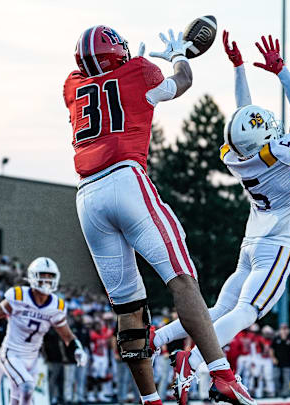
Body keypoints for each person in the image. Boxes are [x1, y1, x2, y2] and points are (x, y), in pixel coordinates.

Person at [65, 24, 253, 405]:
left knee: (129, 308)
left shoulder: (70, 87)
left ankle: (150, 399)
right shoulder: (139, 72)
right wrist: (180, 56)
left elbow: (98, 78)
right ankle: (220, 373)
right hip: (126, 179)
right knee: (181, 277)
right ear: (116, 53)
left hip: (86, 197)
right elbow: (181, 82)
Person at [152, 29, 290, 403]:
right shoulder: (285, 156)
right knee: (247, 311)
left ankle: (157, 338)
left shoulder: (234, 156)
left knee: (220, 308)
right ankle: (197, 363)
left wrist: (238, 69)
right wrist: (281, 71)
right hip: (277, 244)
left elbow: (243, 119)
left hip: (251, 241)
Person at [0, 257, 88, 405]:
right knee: (27, 387)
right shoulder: (18, 296)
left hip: (33, 358)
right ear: (33, 276)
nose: (47, 280)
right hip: (11, 353)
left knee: (18, 398)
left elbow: (67, 336)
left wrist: (77, 349)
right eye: (43, 275)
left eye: (50, 276)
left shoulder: (56, 306)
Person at [271, 323, 290, 397]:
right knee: (276, 377)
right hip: (277, 362)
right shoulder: (276, 338)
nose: (284, 331)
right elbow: (271, 349)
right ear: (280, 330)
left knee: (287, 378)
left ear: (288, 330)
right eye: (282, 329)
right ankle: (278, 392)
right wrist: (273, 358)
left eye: (285, 329)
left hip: (287, 362)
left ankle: (285, 393)